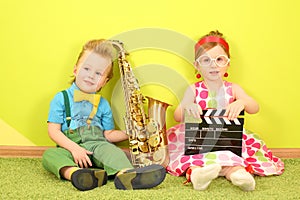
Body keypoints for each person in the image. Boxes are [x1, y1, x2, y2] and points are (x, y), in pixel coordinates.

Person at [166, 30, 284, 191]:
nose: (213, 65)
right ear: (197, 65)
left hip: (227, 139)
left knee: (232, 158)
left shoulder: (233, 88)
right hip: (198, 140)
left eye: (219, 59)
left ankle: (238, 175)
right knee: (194, 159)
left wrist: (242, 102)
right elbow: (177, 116)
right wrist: (188, 106)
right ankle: (198, 175)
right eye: (206, 60)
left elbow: (255, 107)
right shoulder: (193, 89)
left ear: (228, 63)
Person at [42, 39, 166, 191]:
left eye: (98, 73)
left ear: (105, 82)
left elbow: (108, 134)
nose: (91, 76)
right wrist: (74, 149)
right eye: (86, 68)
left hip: (97, 143)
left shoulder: (103, 104)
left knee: (112, 152)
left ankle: (126, 175)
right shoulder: (61, 98)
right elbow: (53, 131)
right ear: (75, 70)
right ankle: (77, 174)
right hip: (69, 146)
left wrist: (131, 133)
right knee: (50, 155)